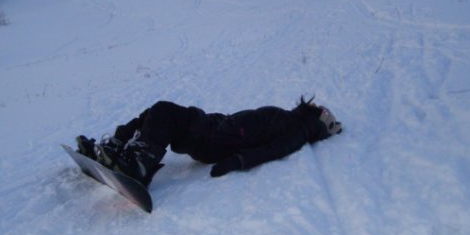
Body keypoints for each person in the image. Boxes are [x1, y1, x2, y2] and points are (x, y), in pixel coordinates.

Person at [75, 96, 342, 188]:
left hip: (219, 138)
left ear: (319, 122)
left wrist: (236, 161)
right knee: (155, 113)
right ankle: (116, 148)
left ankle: (139, 166)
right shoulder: (290, 118)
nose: (317, 106)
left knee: (164, 110)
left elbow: (272, 150)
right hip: (218, 128)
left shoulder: (297, 133)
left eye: (321, 111)